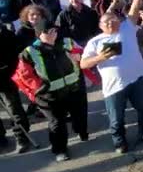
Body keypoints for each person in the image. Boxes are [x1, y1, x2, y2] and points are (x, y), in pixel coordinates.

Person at [80, 0, 143, 154]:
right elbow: (83, 64)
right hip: (114, 86)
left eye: (114, 19)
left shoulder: (127, 28)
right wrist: (101, 57)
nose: (112, 21)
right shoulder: (96, 42)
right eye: (107, 21)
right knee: (116, 118)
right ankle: (119, 141)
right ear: (101, 25)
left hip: (135, 80)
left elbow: (135, 7)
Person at [13, 20, 99, 162]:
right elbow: (23, 74)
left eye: (55, 30)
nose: (54, 34)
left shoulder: (67, 42)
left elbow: (84, 53)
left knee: (80, 114)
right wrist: (40, 88)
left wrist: (80, 56)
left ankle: (82, 133)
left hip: (74, 88)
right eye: (49, 31)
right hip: (50, 95)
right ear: (40, 34)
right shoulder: (29, 52)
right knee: (57, 123)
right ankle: (60, 150)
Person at [0, 23, 30, 153]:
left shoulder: (8, 35)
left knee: (14, 108)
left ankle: (21, 137)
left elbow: (17, 57)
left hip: (6, 77)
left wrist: (7, 70)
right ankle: (1, 138)